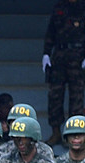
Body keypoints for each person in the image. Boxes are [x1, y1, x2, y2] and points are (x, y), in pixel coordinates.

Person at [43, 0, 85, 146]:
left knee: (77, 98)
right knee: (55, 96)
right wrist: (46, 53)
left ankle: (74, 134)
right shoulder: (59, 6)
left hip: (78, 56)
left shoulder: (82, 6)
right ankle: (56, 133)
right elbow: (51, 31)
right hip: (59, 56)